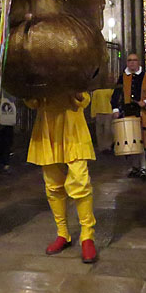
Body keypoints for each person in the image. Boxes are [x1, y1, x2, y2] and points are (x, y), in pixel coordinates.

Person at [25, 92, 97, 263]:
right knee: (53, 184)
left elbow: (85, 99)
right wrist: (27, 92)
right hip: (47, 126)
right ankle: (62, 233)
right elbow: (32, 102)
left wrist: (76, 92)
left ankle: (87, 236)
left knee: (80, 181)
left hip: (73, 125)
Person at [111, 53, 146, 180]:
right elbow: (116, 95)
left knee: (142, 141)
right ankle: (134, 167)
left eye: (134, 60)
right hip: (127, 113)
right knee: (130, 140)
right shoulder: (122, 78)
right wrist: (115, 109)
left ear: (138, 62)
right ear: (127, 63)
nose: (132, 62)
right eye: (129, 60)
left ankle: (143, 167)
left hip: (142, 114)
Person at [90, 85, 114, 153]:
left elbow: (93, 103)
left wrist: (93, 114)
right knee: (106, 130)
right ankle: (106, 147)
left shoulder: (97, 91)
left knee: (102, 131)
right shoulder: (110, 90)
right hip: (107, 111)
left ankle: (104, 147)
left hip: (104, 112)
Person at [0, 93, 16, 174]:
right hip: (5, 116)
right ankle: (4, 164)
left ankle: (3, 164)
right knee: (5, 141)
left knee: (5, 141)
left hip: (6, 116)